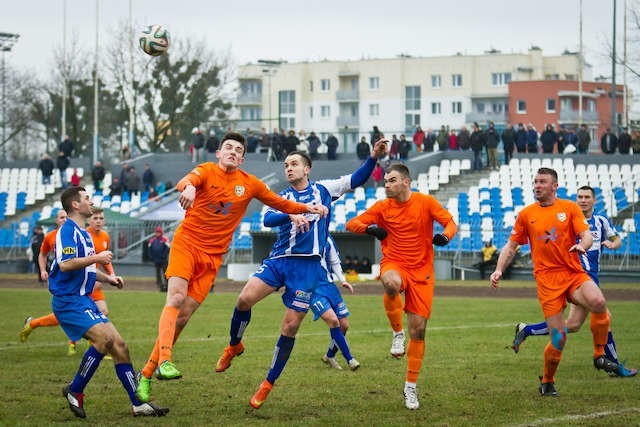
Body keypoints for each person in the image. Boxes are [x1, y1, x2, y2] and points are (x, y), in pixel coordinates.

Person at [135, 132, 328, 403]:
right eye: (228, 147)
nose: (233, 152)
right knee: (176, 297)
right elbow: (187, 180)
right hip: (187, 244)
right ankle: (165, 360)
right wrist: (188, 188)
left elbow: (278, 203)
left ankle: (145, 373)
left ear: (243, 158)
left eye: (238, 150)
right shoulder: (206, 171)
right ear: (218, 153)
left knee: (184, 316)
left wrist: (304, 207)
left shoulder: (249, 184)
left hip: (213, 258)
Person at [214, 140, 388, 409]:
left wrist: (373, 158)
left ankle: (267, 383)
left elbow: (356, 179)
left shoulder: (324, 190)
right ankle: (234, 345)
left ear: (307, 168)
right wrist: (295, 212)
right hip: (280, 261)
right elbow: (268, 220)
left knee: (290, 327)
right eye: (286, 165)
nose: (289, 168)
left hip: (307, 269)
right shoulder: (283, 196)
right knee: (243, 299)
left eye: (294, 164)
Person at [490, 168, 619, 397]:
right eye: (535, 182)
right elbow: (511, 246)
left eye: (542, 182)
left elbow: (587, 235)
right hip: (547, 281)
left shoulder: (569, 208)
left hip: (572, 273)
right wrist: (499, 269)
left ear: (554, 186)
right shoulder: (526, 214)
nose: (537, 185)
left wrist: (583, 245)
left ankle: (599, 355)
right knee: (559, 337)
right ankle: (547, 381)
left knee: (598, 301)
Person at [345, 162, 457, 410]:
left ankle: (410, 387)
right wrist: (371, 228)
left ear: (406, 182)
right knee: (391, 283)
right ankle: (397, 334)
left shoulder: (425, 203)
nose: (387, 185)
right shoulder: (383, 207)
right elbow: (350, 224)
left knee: (419, 331)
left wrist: (445, 236)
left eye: (392, 180)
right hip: (394, 263)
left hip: (422, 273)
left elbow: (450, 223)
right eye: (386, 181)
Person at [50, 186, 168, 418]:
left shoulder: (83, 233)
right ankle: (75, 390)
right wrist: (97, 257)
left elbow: (87, 269)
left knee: (120, 346)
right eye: (86, 198)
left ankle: (138, 404)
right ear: (75, 205)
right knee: (104, 340)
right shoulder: (67, 230)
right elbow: (66, 264)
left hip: (83, 300)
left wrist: (109, 278)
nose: (90, 201)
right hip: (68, 301)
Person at [510, 185, 636, 377]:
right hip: (575, 277)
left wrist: (613, 244)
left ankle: (528, 330)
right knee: (603, 315)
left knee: (574, 324)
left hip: (591, 277)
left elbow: (616, 238)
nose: (583, 200)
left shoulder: (601, 221)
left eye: (587, 197)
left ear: (594, 200)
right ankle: (613, 365)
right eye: (580, 197)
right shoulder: (567, 218)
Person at [20, 210, 79, 355]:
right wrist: (42, 270)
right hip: (61, 280)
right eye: (61, 217)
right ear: (56, 220)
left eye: (66, 217)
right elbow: (42, 254)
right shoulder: (51, 236)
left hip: (76, 279)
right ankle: (95, 347)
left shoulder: (76, 234)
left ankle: (94, 346)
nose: (64, 219)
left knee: (80, 312)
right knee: (71, 314)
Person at [314, 235, 359, 371]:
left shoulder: (327, 238)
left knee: (344, 325)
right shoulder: (303, 235)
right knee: (333, 321)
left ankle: (329, 355)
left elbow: (335, 262)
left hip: (330, 287)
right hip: (313, 289)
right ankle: (350, 359)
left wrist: (342, 280)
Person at [86, 207, 115, 319]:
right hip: (81, 282)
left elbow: (105, 260)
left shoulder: (105, 236)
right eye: (95, 218)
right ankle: (34, 323)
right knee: (73, 315)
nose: (98, 221)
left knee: (103, 311)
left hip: (94, 281)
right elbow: (83, 263)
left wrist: (112, 274)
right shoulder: (85, 236)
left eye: (101, 218)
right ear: (89, 220)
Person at [148, 226, 170, 291]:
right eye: (157, 232)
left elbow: (168, 249)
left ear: (161, 232)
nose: (157, 233)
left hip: (163, 260)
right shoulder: (152, 240)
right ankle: (160, 285)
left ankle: (167, 284)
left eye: (159, 232)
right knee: (158, 273)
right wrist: (151, 257)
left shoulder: (165, 240)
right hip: (156, 260)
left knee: (165, 273)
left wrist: (164, 256)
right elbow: (149, 249)